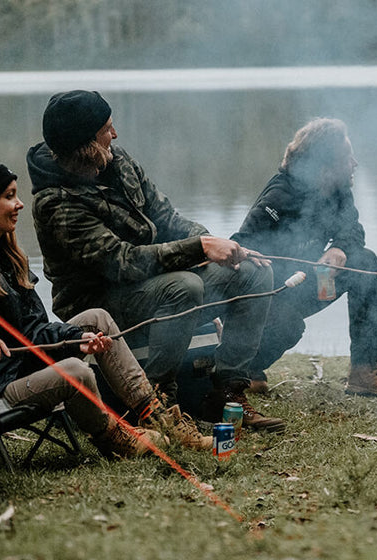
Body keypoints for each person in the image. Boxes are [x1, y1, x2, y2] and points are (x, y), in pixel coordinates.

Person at [0, 158, 216, 458]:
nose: (18, 205)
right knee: (76, 373)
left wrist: (77, 338)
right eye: (8, 196)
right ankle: (116, 438)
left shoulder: (4, 257)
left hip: (14, 368)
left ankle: (157, 415)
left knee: (97, 319)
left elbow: (32, 331)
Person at [26, 90, 284, 432]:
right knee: (184, 286)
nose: (114, 135)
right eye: (106, 129)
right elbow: (122, 261)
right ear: (86, 142)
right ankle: (160, 402)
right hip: (97, 301)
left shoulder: (118, 161)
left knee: (250, 273)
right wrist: (199, 248)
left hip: (152, 283)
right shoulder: (55, 203)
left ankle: (227, 395)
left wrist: (218, 245)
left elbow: (167, 218)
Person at [231, 118, 377, 397]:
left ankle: (365, 370)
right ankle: (244, 369)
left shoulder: (338, 190)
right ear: (325, 166)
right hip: (270, 294)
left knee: (365, 261)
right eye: (347, 157)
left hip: (306, 282)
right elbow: (240, 247)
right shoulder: (280, 196)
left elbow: (353, 229)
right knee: (287, 324)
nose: (355, 163)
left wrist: (338, 248)